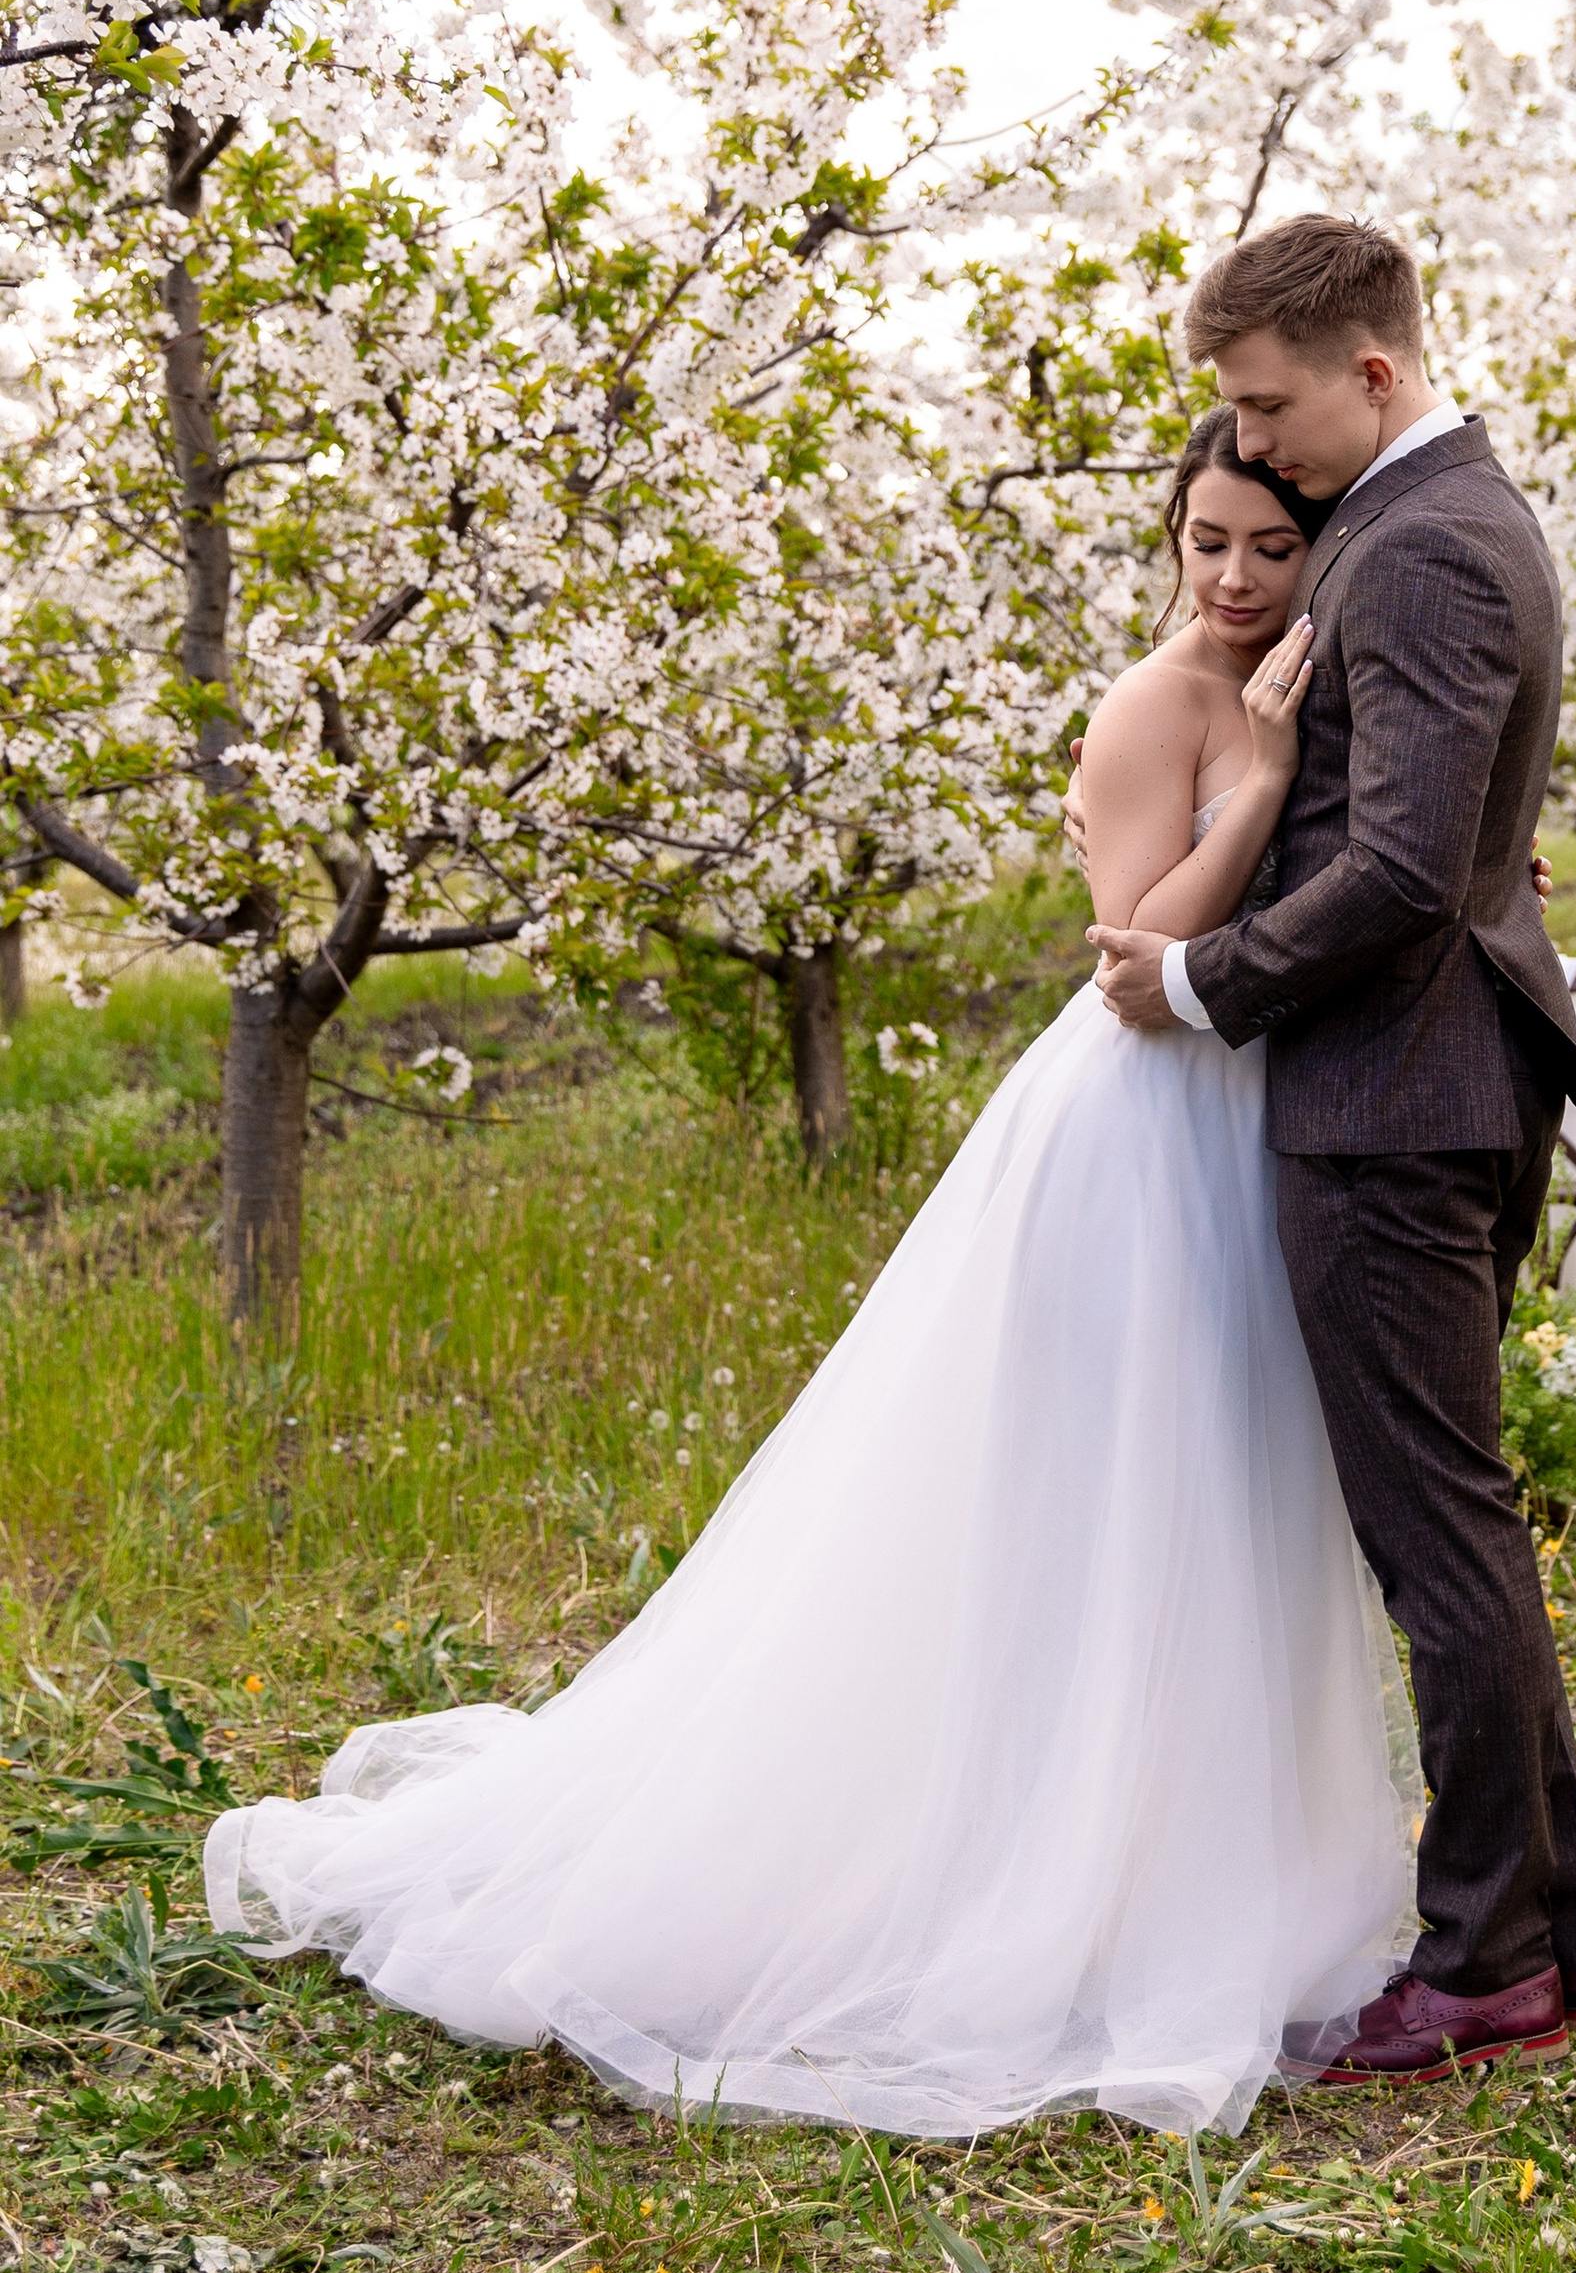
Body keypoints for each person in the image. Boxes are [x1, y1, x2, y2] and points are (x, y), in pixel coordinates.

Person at [202, 413, 1424, 2139]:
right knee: (1115, 1480)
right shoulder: (1165, 702)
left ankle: (1187, 1841)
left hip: (1243, 1107)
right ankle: (1040, 1858)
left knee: (1219, 1477)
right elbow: (1139, 936)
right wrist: (1268, 797)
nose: (1232, 577)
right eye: (1205, 542)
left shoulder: (1295, 685)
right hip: (1140, 1112)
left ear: (1317, 556)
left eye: (1268, 547)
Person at [1085, 212, 1576, 2086]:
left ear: (1371, 372)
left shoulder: (1423, 548)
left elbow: (1403, 868)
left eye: (1269, 403)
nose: (1258, 443)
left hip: (1394, 1096)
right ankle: (1556, 1931)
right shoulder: (1431, 526)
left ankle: (1484, 1962)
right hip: (1434, 1074)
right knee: (1456, 1514)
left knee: (1437, 1533)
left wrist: (1206, 981)